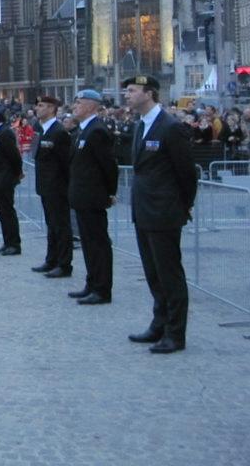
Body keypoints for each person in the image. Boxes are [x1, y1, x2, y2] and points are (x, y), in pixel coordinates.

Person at [124, 75, 198, 354]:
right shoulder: (141, 125)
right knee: (153, 273)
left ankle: (175, 333)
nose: (127, 95)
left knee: (169, 274)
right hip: (144, 210)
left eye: (132, 91)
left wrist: (183, 205)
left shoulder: (170, 127)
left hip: (164, 211)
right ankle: (159, 322)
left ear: (149, 94)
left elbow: (186, 173)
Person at [67, 89, 118, 305]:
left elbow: (109, 166)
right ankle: (92, 282)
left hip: (93, 196)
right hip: (82, 196)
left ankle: (102, 288)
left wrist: (109, 193)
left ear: (90, 106)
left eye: (78, 103)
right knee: (88, 243)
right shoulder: (83, 131)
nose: (74, 106)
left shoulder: (97, 131)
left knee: (98, 244)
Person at [30, 96, 73, 278]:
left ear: (51, 109)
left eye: (41, 106)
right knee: (51, 225)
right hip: (46, 187)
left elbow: (66, 163)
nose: (37, 109)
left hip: (58, 188)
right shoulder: (43, 130)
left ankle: (64, 264)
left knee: (61, 226)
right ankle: (51, 259)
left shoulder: (59, 132)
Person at [0, 105, 23, 256]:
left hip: (4, 178)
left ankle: (14, 244)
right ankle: (7, 241)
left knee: (8, 212)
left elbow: (14, 157)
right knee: (1, 212)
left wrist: (15, 175)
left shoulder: (5, 133)